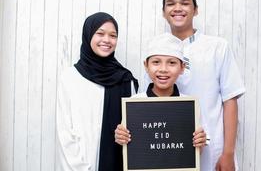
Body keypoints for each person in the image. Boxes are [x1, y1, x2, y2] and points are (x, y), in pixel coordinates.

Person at [159, 0, 246, 171]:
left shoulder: (217, 47)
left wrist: (228, 154)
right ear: (164, 12)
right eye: (171, 4)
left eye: (185, 3)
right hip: (170, 151)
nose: (178, 8)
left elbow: (230, 99)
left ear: (196, 9)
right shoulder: (157, 51)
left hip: (212, 151)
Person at [56, 12, 138, 171]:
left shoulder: (125, 80)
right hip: (78, 165)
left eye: (113, 35)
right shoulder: (70, 77)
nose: (107, 40)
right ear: (88, 35)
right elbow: (64, 133)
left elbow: (134, 133)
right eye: (100, 33)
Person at [115, 32, 207, 152]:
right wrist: (120, 137)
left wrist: (200, 142)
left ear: (182, 67)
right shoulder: (133, 104)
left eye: (172, 63)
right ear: (146, 66)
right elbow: (130, 150)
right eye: (156, 62)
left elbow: (194, 153)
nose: (163, 69)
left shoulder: (190, 106)